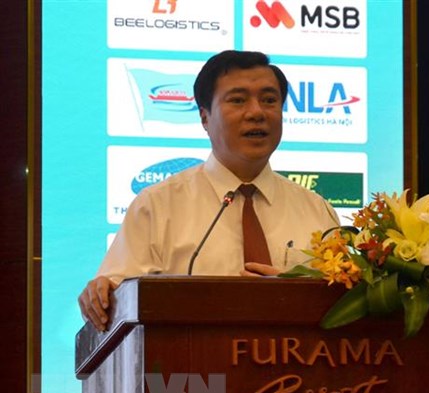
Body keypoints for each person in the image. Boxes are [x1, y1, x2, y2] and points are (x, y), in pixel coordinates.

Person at [78, 50, 339, 331]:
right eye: (238, 100)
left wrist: (293, 298)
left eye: (269, 100)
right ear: (204, 117)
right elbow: (116, 305)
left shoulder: (317, 211)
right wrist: (103, 295)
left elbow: (344, 309)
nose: (256, 112)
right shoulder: (156, 206)